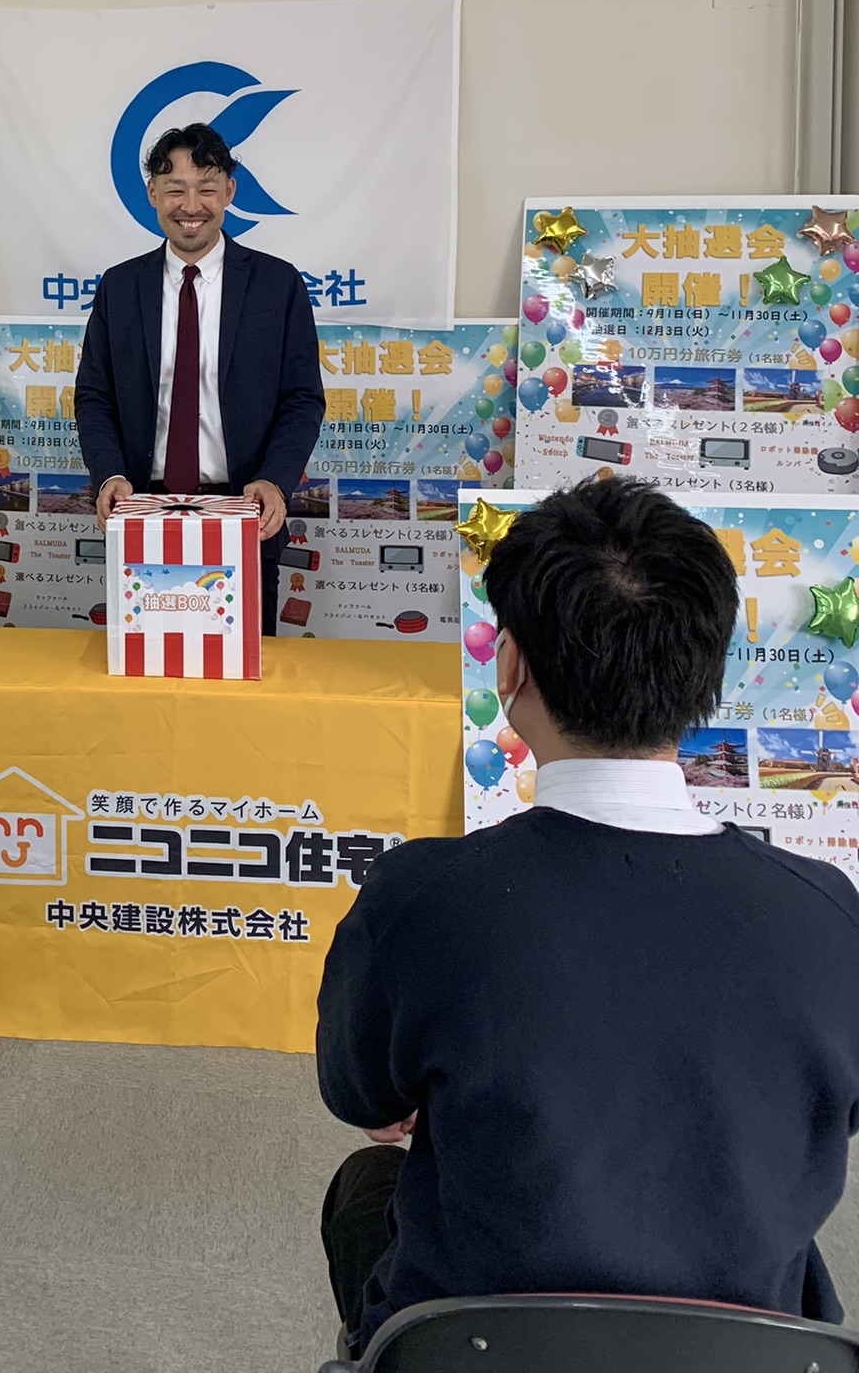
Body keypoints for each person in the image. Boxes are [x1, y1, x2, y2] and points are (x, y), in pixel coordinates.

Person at [316, 474, 859, 1352]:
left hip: (476, 1350)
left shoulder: (420, 898)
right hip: (752, 1350)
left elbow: (363, 1096)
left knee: (368, 1184)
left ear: (510, 667)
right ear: (707, 673)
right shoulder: (831, 918)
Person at [74, 122, 324, 635]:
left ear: (229, 191)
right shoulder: (121, 287)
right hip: (142, 513)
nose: (191, 206)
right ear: (152, 194)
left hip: (244, 514)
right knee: (148, 668)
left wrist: (274, 481)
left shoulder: (276, 284)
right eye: (176, 189)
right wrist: (110, 475)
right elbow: (95, 396)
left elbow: (302, 398)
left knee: (245, 673)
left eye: (206, 188)